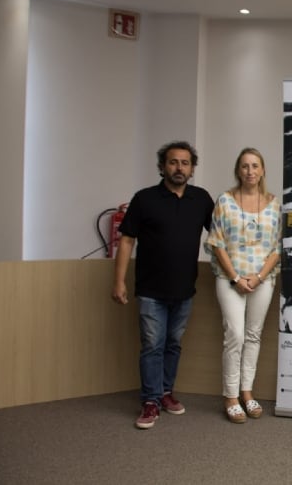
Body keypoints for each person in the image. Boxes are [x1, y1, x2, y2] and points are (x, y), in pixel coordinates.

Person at [112, 141, 214, 430]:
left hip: (185, 289)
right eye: (173, 162)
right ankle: (151, 400)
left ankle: (166, 392)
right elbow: (127, 240)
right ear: (162, 166)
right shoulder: (144, 199)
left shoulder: (201, 199)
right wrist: (118, 281)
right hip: (150, 290)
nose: (179, 167)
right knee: (152, 346)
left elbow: (220, 234)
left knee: (173, 345)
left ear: (192, 168)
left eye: (185, 163)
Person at [204, 148, 282, 424]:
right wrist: (236, 278)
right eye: (245, 166)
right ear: (238, 170)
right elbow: (217, 242)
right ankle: (230, 396)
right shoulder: (225, 201)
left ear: (262, 170)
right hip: (229, 279)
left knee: (253, 335)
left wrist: (258, 277)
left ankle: (247, 393)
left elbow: (277, 247)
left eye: (255, 166)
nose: (250, 171)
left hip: (263, 279)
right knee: (234, 335)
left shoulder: (274, 204)